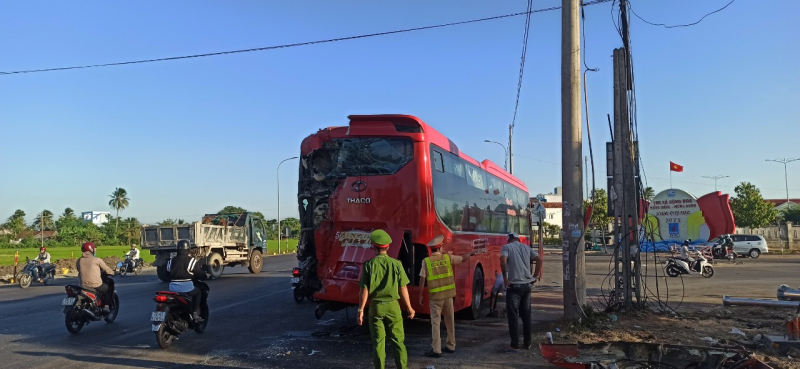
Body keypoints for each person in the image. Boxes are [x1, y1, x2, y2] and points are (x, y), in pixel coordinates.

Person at [356, 229, 415, 369]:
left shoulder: (368, 265)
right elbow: (403, 288)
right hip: (393, 307)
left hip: (376, 307)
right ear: (388, 247)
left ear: (373, 247)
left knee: (378, 343)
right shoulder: (396, 264)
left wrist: (361, 310)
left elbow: (364, 290)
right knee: (398, 341)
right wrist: (409, 307)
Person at [417, 235, 474, 358]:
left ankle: (436, 349)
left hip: (435, 298)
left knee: (436, 323)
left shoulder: (426, 261)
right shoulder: (447, 258)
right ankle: (451, 345)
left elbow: (422, 279)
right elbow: (463, 259)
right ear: (441, 247)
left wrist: (420, 295)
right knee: (449, 320)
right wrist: (470, 254)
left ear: (431, 249)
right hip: (448, 296)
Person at [500, 232, 543, 350]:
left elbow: (503, 261)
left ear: (509, 240)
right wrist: (534, 276)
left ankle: (515, 343)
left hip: (514, 286)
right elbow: (539, 260)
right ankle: (527, 343)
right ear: (518, 240)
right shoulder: (527, 247)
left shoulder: (506, 247)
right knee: (526, 315)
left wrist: (505, 278)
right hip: (527, 286)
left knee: (513, 316)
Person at [166, 239, 207, 322]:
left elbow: (167, 274)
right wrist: (204, 276)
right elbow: (199, 273)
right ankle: (195, 313)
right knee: (198, 292)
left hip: (173, 288)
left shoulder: (171, 261)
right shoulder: (192, 261)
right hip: (187, 288)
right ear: (188, 249)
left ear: (177, 249)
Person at [76, 242, 115, 312]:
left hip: (83, 285)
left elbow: (79, 270)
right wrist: (113, 272)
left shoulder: (79, 260)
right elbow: (107, 270)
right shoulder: (97, 260)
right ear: (91, 250)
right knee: (108, 289)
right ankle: (106, 306)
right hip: (95, 285)